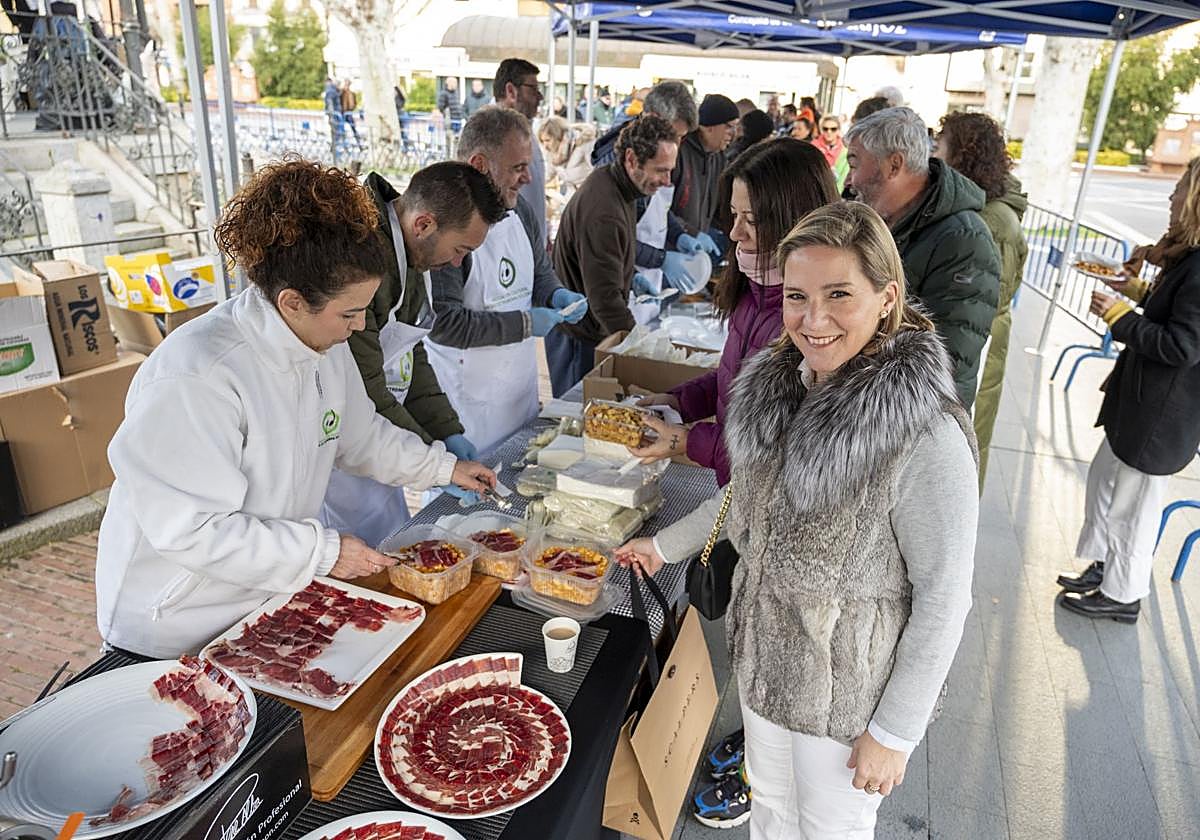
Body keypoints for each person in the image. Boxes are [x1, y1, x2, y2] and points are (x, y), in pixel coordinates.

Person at [617, 200, 978, 839]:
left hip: (848, 698)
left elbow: (945, 599)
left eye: (839, 294)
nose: (813, 320)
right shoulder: (781, 389)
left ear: (886, 296)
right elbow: (740, 506)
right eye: (796, 296)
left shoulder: (925, 433)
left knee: (830, 829)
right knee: (775, 814)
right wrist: (662, 546)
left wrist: (893, 731)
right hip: (763, 667)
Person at [94, 160, 496, 658]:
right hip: (172, 626)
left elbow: (361, 435)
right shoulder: (197, 376)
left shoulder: (326, 349)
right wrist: (322, 552)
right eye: (348, 314)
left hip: (260, 604)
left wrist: (444, 466)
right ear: (291, 303)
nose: (356, 329)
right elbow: (193, 531)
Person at [629, 140, 840, 829]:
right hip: (734, 500)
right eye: (734, 217)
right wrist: (675, 406)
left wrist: (684, 441)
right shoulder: (753, 292)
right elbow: (727, 384)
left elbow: (772, 453)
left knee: (774, 653)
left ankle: (762, 763)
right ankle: (757, 741)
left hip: (774, 521)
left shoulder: (804, 321)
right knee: (747, 641)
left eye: (750, 220)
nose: (736, 233)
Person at [320, 163, 508, 545]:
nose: (458, 263)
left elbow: (410, 353)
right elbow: (368, 386)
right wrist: (437, 461)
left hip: (388, 441)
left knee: (392, 541)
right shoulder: (361, 263)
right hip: (347, 454)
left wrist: (446, 431)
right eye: (460, 250)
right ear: (423, 224)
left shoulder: (412, 256)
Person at [1057, 158, 1200, 624]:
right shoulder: (1188, 258)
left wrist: (1121, 317)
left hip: (1163, 413)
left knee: (1133, 507)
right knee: (1104, 481)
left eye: (1179, 188)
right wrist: (1135, 291)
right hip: (1141, 403)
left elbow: (1182, 346)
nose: (1171, 196)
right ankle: (1104, 565)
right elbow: (1168, 314)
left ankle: (1123, 594)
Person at [427, 108, 587, 453]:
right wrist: (526, 323)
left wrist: (557, 294)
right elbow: (446, 323)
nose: (528, 177)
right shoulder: (447, 229)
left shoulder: (519, 212)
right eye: (517, 168)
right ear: (480, 164)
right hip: (468, 409)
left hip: (519, 391)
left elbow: (540, 274)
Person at [844, 106, 1000, 408]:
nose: (850, 181)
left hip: (913, 418)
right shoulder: (883, 218)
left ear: (894, 165)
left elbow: (947, 359)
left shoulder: (964, 240)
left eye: (854, 163)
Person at [547, 115, 680, 396]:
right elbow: (605, 301)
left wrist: (629, 279)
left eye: (670, 171)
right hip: (578, 337)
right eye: (661, 170)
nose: (667, 181)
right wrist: (639, 350)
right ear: (631, 159)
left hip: (591, 328)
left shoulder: (621, 187)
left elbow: (608, 260)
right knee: (575, 418)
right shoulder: (604, 210)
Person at [934, 112, 1029, 490]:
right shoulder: (977, 208)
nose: (933, 154)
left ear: (963, 156)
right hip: (974, 338)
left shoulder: (992, 220)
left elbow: (988, 301)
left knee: (966, 437)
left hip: (981, 344)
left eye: (940, 146)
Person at [590, 81, 705, 313]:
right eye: (675, 133)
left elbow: (658, 208)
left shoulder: (660, 152)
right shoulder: (617, 165)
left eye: (682, 137)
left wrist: (679, 235)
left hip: (645, 285)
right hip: (617, 287)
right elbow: (610, 239)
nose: (678, 143)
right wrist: (661, 259)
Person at [672, 94, 739, 249]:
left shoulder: (719, 158)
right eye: (729, 126)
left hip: (695, 248)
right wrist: (690, 233)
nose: (733, 133)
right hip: (672, 245)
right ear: (709, 127)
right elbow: (661, 209)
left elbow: (719, 208)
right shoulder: (679, 153)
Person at [493, 58, 547, 245]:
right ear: (511, 91)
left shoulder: (523, 129)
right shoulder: (491, 133)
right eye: (533, 89)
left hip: (531, 243)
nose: (539, 96)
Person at [538, 116, 597, 198]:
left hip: (590, 195)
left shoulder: (584, 144)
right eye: (542, 141)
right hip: (572, 196)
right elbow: (547, 175)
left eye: (548, 140)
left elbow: (597, 170)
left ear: (557, 136)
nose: (545, 145)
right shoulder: (552, 153)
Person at [814, 115, 849, 192]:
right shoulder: (813, 146)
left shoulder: (845, 151)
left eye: (833, 129)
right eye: (825, 129)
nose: (829, 132)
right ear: (821, 130)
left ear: (838, 130)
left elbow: (843, 179)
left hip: (835, 192)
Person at [340, 79, 361, 147]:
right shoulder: (342, 92)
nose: (347, 85)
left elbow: (354, 103)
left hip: (349, 113)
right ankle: (341, 144)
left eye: (348, 84)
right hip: (343, 113)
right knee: (341, 129)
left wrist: (353, 107)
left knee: (353, 128)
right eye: (346, 84)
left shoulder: (352, 93)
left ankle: (359, 144)